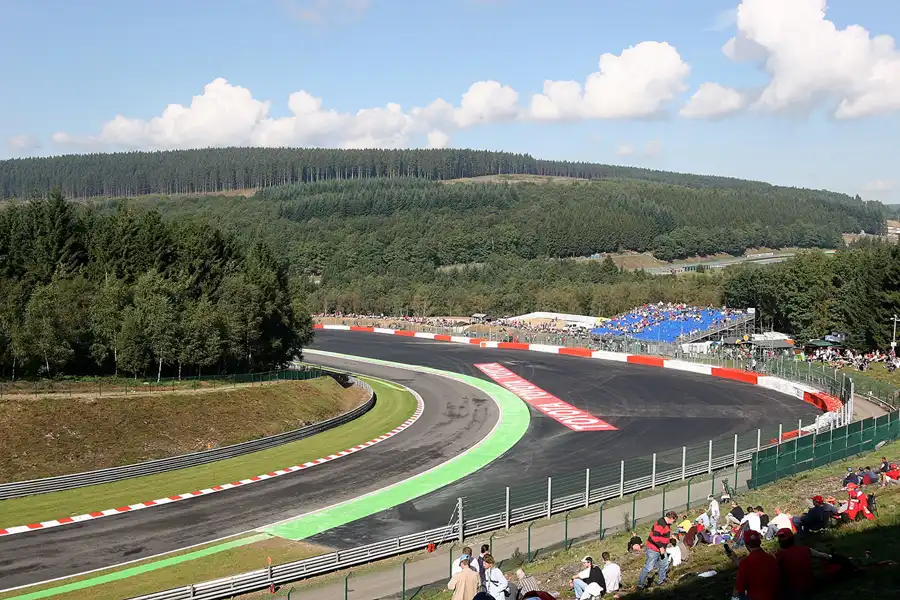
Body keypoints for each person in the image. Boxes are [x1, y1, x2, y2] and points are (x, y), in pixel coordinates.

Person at [775, 528, 831, 599]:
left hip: (792, 591)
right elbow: (825, 556)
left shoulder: (779, 556)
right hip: (810, 587)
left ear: (779, 542)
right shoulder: (805, 549)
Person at [729, 530, 780, 600]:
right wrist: (735, 558)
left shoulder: (745, 563)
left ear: (746, 544)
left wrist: (734, 598)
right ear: (760, 542)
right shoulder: (771, 558)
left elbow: (738, 588)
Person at [637, 511, 676, 589]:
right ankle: (640, 584)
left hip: (661, 548)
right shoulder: (660, 524)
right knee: (649, 567)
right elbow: (654, 537)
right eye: (673, 521)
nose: (673, 522)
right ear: (671, 518)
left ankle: (661, 580)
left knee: (664, 563)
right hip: (653, 549)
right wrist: (661, 547)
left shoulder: (666, 524)